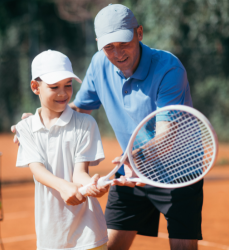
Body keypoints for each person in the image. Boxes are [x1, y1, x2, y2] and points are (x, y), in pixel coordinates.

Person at [12, 4, 203, 250]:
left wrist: (134, 158)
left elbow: (167, 137)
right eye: (109, 47)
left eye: (124, 43)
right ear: (99, 44)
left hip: (178, 173)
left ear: (139, 33)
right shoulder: (100, 64)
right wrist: (39, 120)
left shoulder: (169, 69)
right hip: (130, 172)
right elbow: (76, 111)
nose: (117, 53)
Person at [15, 49, 109, 250]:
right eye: (54, 87)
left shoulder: (86, 123)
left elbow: (80, 173)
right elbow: (38, 171)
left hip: (89, 235)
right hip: (51, 237)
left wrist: (91, 185)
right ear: (35, 87)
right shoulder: (25, 128)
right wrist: (64, 187)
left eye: (68, 85)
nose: (63, 93)